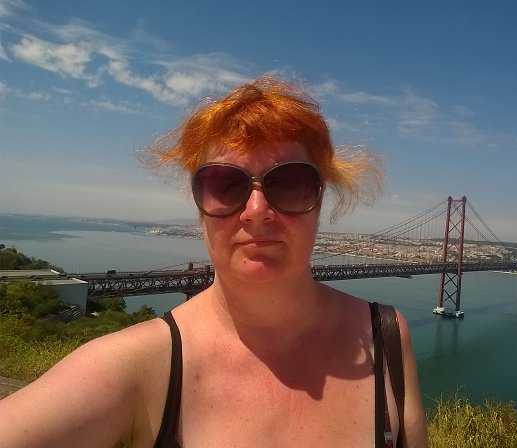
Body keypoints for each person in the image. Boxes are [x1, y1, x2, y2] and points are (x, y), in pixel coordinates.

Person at [0, 76, 428, 447]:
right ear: (199, 207)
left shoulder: (386, 338)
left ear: (319, 200)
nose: (256, 211)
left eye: (290, 183)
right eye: (225, 185)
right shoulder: (141, 365)